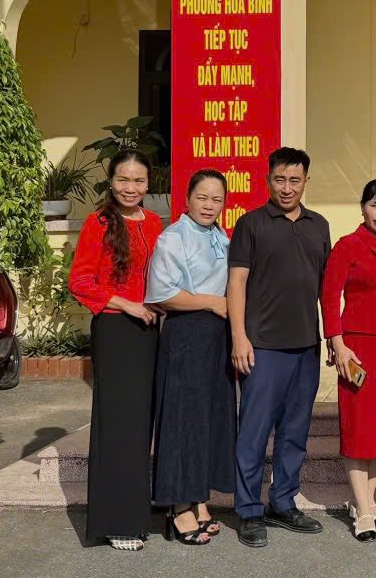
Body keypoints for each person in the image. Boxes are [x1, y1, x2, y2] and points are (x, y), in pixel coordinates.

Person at [228, 147, 332, 549]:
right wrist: (239, 337)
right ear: (268, 179)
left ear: (306, 182)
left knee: (295, 431)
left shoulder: (318, 225)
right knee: (254, 432)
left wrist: (332, 337)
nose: (287, 188)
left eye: (295, 180)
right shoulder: (251, 224)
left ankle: (283, 503)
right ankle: (249, 510)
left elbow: (325, 288)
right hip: (262, 347)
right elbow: (237, 282)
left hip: (306, 345)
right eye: (280, 179)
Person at [67, 149, 162, 552]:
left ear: (148, 184)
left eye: (138, 180)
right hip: (116, 330)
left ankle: (136, 509)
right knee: (118, 424)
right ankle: (116, 521)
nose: (130, 188)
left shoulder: (154, 222)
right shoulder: (99, 223)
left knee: (140, 424)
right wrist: (128, 305)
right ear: (111, 181)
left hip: (151, 331)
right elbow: (80, 282)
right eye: (123, 179)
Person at [146, 169, 236, 546]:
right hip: (187, 333)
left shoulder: (221, 236)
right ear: (187, 199)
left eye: (217, 199)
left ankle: (199, 498)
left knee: (207, 419)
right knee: (183, 419)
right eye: (202, 197)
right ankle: (179, 507)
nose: (209, 205)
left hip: (217, 338)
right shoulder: (174, 236)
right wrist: (213, 303)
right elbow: (161, 294)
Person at [320, 179, 376, 542]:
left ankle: (367, 502)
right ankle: (362, 506)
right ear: (362, 207)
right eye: (374, 204)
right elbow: (329, 297)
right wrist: (337, 343)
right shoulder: (348, 246)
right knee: (359, 426)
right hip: (358, 347)